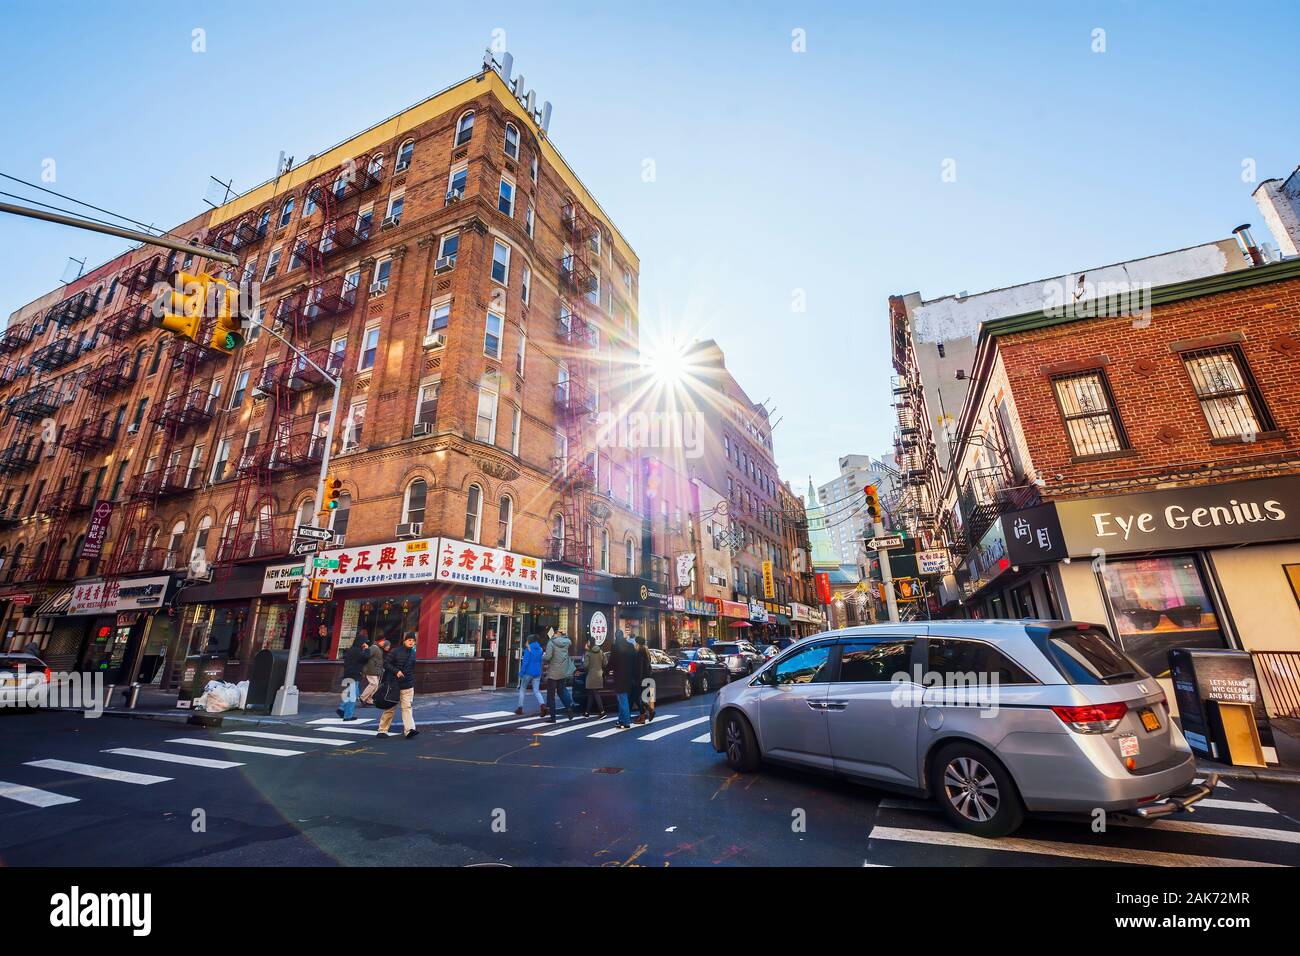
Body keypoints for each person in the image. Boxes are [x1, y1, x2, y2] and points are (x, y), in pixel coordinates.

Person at [376, 632, 419, 739]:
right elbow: (386, 663)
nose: (411, 642)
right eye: (409, 640)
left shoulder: (413, 653)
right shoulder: (395, 651)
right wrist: (396, 671)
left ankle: (409, 730)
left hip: (408, 685)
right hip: (394, 684)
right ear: (404, 640)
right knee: (390, 707)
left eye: (413, 641)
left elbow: (412, 668)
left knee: (407, 707)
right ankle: (382, 730)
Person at [541, 627, 576, 722]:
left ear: (555, 633)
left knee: (551, 695)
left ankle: (553, 717)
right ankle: (569, 708)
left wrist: (542, 656)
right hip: (563, 670)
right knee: (562, 691)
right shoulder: (566, 642)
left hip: (553, 672)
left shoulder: (551, 642)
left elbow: (548, 657)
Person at [609, 628, 639, 729]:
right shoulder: (630, 646)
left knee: (622, 698)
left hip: (619, 676)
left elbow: (611, 661)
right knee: (623, 698)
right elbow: (635, 661)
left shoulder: (615, 646)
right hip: (629, 676)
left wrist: (605, 671)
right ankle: (621, 719)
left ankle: (626, 721)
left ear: (616, 636)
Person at [338, 636, 369, 721]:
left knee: (353, 693)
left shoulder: (352, 650)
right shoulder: (357, 650)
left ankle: (341, 708)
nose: (365, 644)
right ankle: (348, 716)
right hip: (354, 675)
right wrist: (367, 649)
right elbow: (365, 658)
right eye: (364, 642)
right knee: (353, 696)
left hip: (350, 674)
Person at [515, 634, 546, 716]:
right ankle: (542, 705)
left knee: (522, 689)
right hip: (537, 673)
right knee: (536, 691)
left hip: (528, 672)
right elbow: (540, 662)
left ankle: (520, 708)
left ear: (529, 640)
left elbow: (525, 662)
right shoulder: (540, 649)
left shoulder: (528, 649)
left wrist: (521, 673)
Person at [632, 635, 656, 724]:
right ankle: (643, 716)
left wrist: (639, 679)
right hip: (647, 678)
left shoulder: (640, 652)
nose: (634, 644)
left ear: (638, 643)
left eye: (635, 642)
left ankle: (649, 711)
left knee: (637, 697)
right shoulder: (646, 651)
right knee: (641, 698)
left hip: (642, 678)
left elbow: (640, 667)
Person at [582, 640, 607, 717]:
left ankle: (602, 711)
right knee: (592, 693)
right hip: (599, 674)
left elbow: (585, 665)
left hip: (591, 675)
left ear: (590, 644)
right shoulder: (601, 652)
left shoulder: (588, 653)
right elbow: (605, 663)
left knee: (594, 692)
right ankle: (587, 712)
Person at [358, 635, 385, 705]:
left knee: (375, 685)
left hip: (375, 669)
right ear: (378, 641)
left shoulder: (379, 648)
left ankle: (368, 699)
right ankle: (362, 697)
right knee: (373, 684)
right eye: (382, 641)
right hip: (370, 669)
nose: (383, 643)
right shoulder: (374, 647)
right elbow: (366, 655)